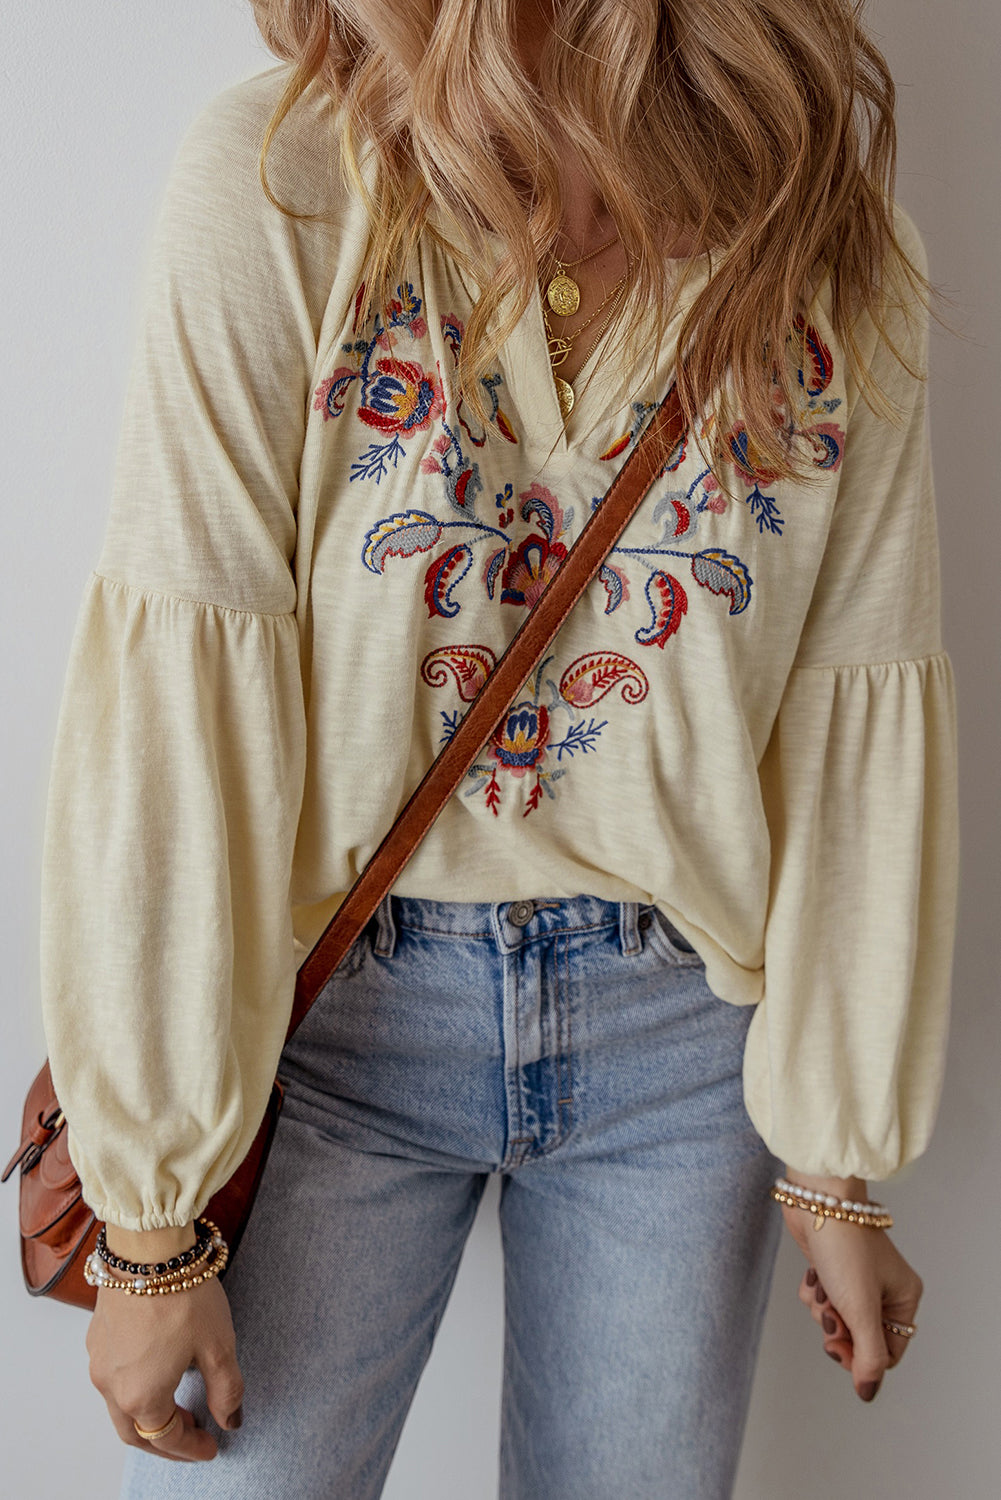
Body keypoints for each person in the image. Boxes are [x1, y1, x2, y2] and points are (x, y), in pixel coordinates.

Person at [37, 2, 959, 1497]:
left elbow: (852, 710)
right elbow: (179, 713)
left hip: (680, 1059)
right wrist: (147, 1228)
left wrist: (832, 1154)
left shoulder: (830, 251)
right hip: (327, 1037)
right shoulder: (283, 186)